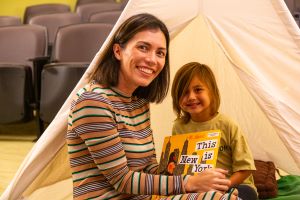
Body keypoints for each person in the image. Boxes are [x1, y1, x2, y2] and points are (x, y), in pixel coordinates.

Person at [66, 14, 239, 200]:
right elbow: (121, 180)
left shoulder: (138, 102)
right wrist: (189, 183)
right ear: (117, 51)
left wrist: (201, 181)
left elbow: (148, 166)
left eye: (160, 53)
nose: (152, 60)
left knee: (223, 194)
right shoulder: (93, 101)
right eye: (143, 47)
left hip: (144, 197)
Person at [171, 62, 258, 200]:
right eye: (184, 92)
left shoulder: (227, 125)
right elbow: (178, 168)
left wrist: (224, 186)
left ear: (212, 92)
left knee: (246, 194)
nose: (191, 97)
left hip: (234, 185)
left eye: (198, 90)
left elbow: (246, 168)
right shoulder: (179, 127)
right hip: (198, 188)